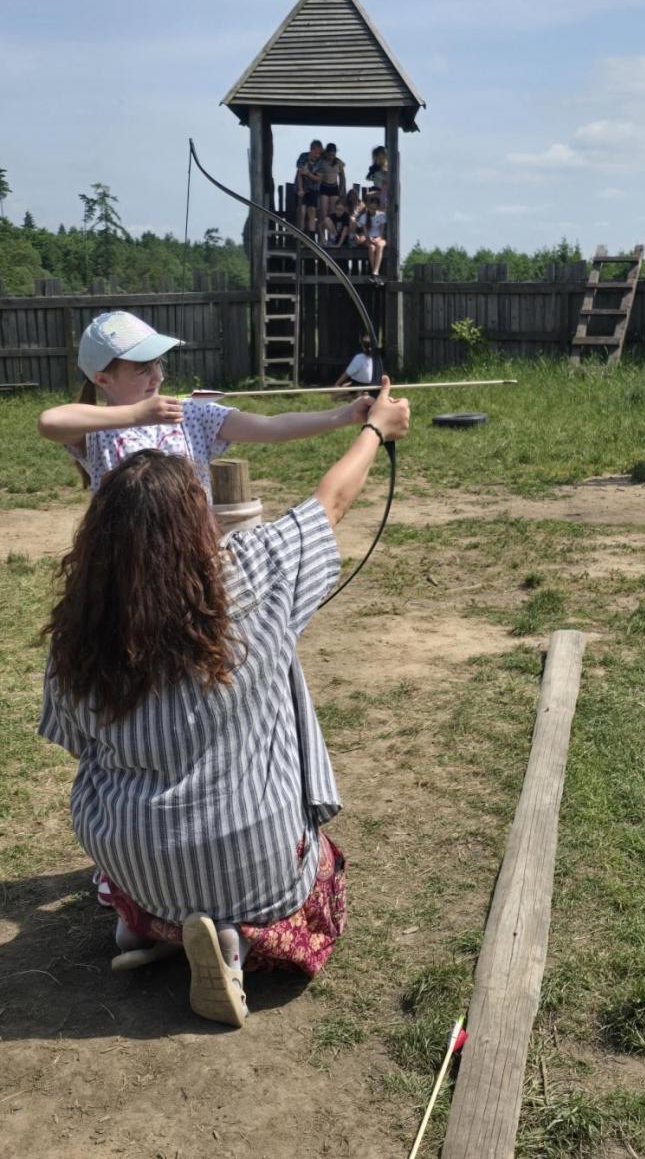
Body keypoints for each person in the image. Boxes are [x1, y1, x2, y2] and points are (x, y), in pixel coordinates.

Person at [38, 379, 410, 1028]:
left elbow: (77, 745)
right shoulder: (256, 572)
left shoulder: (80, 628)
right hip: (258, 863)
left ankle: (147, 922)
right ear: (198, 520)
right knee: (309, 866)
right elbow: (332, 501)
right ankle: (231, 936)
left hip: (133, 860)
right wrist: (374, 430)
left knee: (138, 846)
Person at [38, 311, 375, 500]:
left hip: (192, 549)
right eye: (142, 369)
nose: (155, 376)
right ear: (102, 380)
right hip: (123, 560)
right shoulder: (96, 430)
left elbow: (273, 427)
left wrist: (343, 415)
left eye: (157, 364)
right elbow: (49, 421)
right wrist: (135, 415)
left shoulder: (189, 414)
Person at [295, 140, 325, 235]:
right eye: (316, 153)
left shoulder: (320, 162)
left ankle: (311, 237)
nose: (317, 155)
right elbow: (300, 173)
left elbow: (318, 179)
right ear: (311, 150)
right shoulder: (303, 157)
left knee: (312, 212)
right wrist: (300, 189)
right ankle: (301, 236)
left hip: (313, 189)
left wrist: (308, 173)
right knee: (302, 212)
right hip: (302, 188)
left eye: (319, 153)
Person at [354, 196, 387, 281]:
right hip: (369, 238)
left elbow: (382, 231)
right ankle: (374, 272)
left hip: (379, 238)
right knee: (372, 248)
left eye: (374, 208)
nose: (372, 210)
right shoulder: (364, 217)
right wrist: (370, 239)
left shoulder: (382, 215)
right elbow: (365, 232)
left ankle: (375, 272)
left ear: (378, 207)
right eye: (371, 208)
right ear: (368, 207)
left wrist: (378, 238)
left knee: (380, 245)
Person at [318, 143, 346, 225]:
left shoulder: (338, 163)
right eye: (329, 155)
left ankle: (331, 236)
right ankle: (321, 236)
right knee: (323, 213)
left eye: (333, 155)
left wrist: (342, 190)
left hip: (334, 187)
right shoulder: (322, 162)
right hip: (324, 187)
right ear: (326, 153)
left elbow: (342, 177)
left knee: (333, 213)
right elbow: (318, 178)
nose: (331, 157)